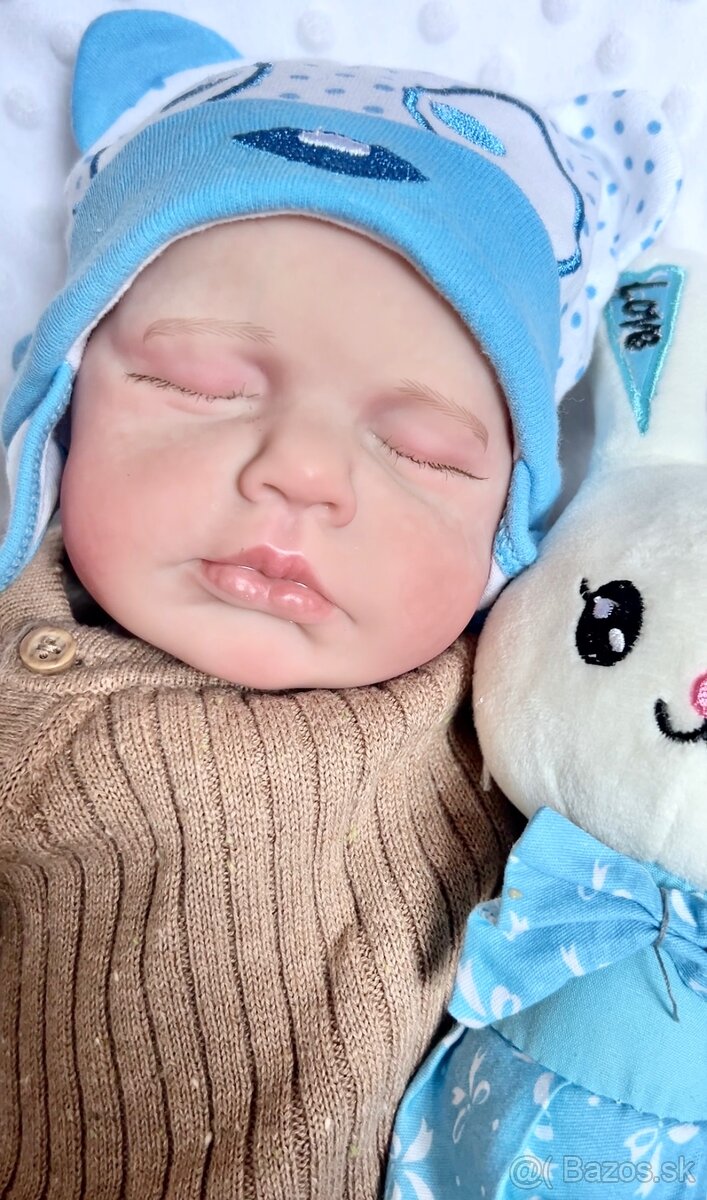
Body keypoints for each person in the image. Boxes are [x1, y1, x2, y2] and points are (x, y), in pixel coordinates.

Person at [0, 9, 681, 1198]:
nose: (301, 473)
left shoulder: (509, 732)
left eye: (420, 451)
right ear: (57, 418)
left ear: (501, 535)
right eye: (198, 385)